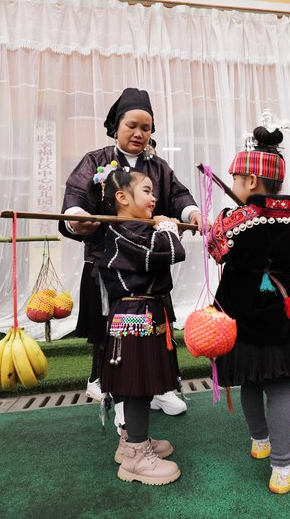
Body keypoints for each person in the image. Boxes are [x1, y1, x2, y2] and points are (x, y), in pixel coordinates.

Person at [60, 88, 200, 417]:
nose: (139, 133)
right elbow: (76, 196)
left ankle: (160, 387)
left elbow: (179, 195)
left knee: (157, 327)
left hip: (148, 262)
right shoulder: (94, 160)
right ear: (116, 126)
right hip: (107, 264)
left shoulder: (159, 166)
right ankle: (116, 392)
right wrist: (77, 218)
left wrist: (191, 213)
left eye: (146, 128)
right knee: (114, 332)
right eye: (132, 125)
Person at [207, 125, 290, 494]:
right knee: (279, 385)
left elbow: (216, 249)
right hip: (279, 311)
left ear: (250, 179)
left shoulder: (232, 219)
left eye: (237, 178)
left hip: (239, 310)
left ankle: (263, 443)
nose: (234, 183)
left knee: (251, 378)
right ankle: (283, 466)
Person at [96, 166, 185, 486]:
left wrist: (162, 228)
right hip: (135, 314)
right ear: (122, 197)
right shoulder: (124, 231)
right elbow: (171, 253)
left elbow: (163, 250)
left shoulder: (136, 229)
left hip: (145, 311)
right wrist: (166, 229)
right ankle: (135, 456)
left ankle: (133, 441)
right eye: (146, 191)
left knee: (141, 385)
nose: (154, 197)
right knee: (136, 386)